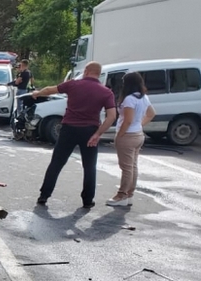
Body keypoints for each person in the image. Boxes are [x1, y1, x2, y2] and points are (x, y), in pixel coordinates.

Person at [33, 61, 117, 208]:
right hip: (90, 131)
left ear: (86, 71)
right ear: (99, 73)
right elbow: (111, 116)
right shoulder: (106, 92)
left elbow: (49, 90)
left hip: (69, 129)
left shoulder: (73, 84)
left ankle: (44, 195)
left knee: (56, 163)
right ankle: (87, 200)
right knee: (89, 166)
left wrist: (37, 93)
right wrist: (98, 134)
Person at [106, 72, 155, 207]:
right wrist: (140, 124)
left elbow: (127, 121)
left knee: (126, 168)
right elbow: (151, 114)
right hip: (138, 134)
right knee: (132, 166)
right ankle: (129, 195)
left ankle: (121, 195)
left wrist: (119, 136)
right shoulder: (144, 97)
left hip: (127, 136)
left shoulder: (129, 99)